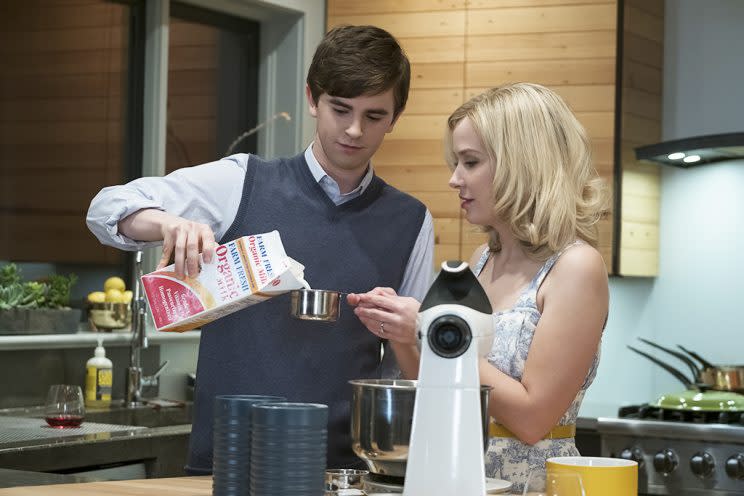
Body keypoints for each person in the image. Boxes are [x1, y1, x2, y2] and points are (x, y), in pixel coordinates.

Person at [86, 24, 434, 472]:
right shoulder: (242, 182)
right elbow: (105, 209)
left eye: (374, 116)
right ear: (312, 99)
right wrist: (169, 222)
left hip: (341, 472)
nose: (353, 130)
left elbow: (404, 371)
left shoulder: (410, 220)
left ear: (396, 116)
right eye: (340, 109)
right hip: (227, 464)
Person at [347, 82, 609, 491]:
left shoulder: (576, 267)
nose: (455, 179)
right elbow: (442, 389)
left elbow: (532, 418)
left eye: (470, 162)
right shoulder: (481, 262)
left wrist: (431, 332)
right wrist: (402, 335)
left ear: (523, 164)